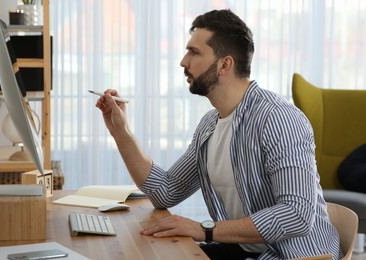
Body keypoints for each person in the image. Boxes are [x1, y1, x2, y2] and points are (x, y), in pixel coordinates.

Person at [95, 9, 341, 260]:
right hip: (247, 250)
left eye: (194, 52)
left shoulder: (278, 119)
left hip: (296, 255)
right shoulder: (210, 125)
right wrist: (121, 131)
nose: (183, 61)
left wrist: (205, 230)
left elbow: (296, 215)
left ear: (225, 64)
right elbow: (166, 191)